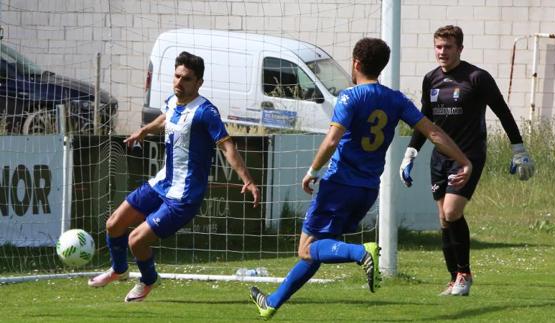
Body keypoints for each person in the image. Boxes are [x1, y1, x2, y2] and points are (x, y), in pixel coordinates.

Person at [249, 37, 472, 320]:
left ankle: (360, 253)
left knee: (306, 249)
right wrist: (464, 160)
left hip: (339, 185)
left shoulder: (349, 97)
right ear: (381, 66)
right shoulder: (396, 99)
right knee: (320, 247)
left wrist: (311, 172)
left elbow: (331, 141)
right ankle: (272, 303)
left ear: (356, 63)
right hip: (367, 190)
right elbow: (434, 133)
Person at [87, 51, 260, 302]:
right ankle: (119, 269)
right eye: (177, 76)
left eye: (186, 79)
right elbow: (165, 118)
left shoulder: (206, 112)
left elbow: (227, 146)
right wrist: (143, 131)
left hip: (184, 197)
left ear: (199, 83)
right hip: (161, 183)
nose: (179, 82)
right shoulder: (171, 101)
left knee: (136, 241)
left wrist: (247, 179)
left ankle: (148, 280)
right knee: (114, 224)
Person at [399, 25, 535, 297]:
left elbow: (503, 112)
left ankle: (464, 274)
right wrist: (411, 152)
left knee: (452, 212)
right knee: (443, 218)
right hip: (440, 157)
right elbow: (426, 119)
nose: (442, 52)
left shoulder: (477, 78)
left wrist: (518, 149)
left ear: (460, 48)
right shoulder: (430, 79)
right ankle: (453, 280)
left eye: (448, 47)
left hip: (470, 155)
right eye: (438, 46)